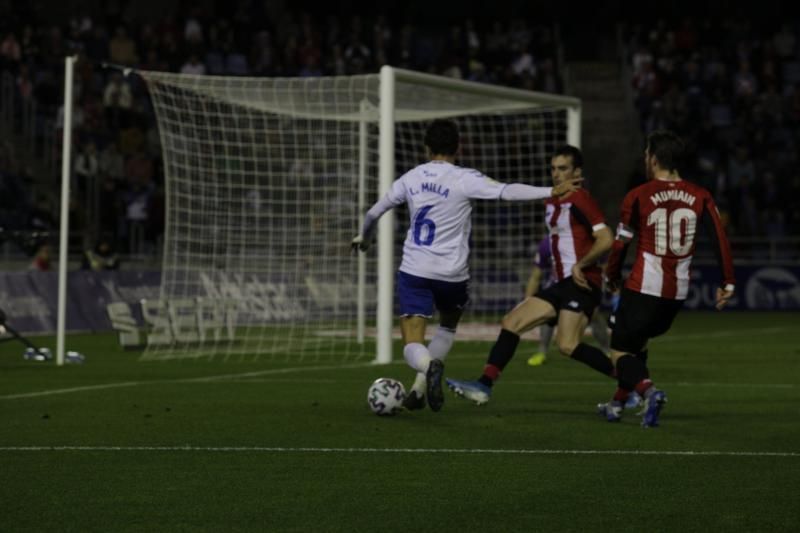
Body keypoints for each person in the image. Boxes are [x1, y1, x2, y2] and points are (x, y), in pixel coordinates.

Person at [351, 120, 581, 412]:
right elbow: (507, 191)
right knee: (447, 326)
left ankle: (428, 366)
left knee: (412, 340)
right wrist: (552, 190)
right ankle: (419, 389)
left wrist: (365, 239)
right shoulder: (464, 178)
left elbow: (373, 213)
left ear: (427, 147)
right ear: (458, 148)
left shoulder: (410, 178)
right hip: (453, 275)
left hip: (415, 270)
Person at [446, 145, 614, 404]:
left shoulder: (581, 199)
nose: (556, 174)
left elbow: (605, 239)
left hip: (581, 283)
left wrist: (581, 264)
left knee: (567, 345)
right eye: (553, 169)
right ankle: (483, 386)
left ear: (577, 171)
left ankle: (632, 382)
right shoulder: (551, 200)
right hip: (560, 284)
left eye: (563, 169)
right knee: (512, 322)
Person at [599, 130, 735, 427]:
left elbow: (621, 242)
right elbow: (719, 239)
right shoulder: (701, 195)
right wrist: (728, 282)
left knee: (619, 349)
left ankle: (649, 392)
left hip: (643, 286)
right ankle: (617, 405)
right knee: (638, 344)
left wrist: (612, 275)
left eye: (647, 154)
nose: (645, 159)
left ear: (655, 158)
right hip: (675, 294)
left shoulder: (638, 195)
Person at [524, 236, 612, 367]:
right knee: (547, 316)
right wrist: (527, 301)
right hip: (556, 286)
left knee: (594, 315)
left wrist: (605, 287)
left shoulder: (589, 240)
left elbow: (604, 267)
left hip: (583, 286)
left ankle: (607, 351)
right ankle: (541, 352)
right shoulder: (547, 243)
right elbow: (536, 276)